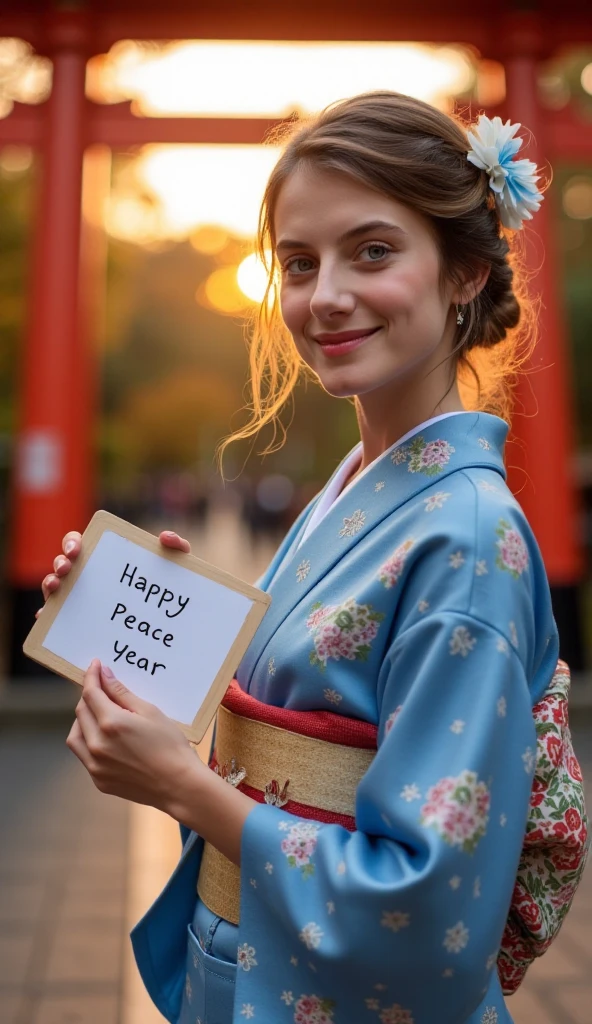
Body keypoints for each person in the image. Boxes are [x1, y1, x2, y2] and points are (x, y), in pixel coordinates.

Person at [39, 93, 587, 1024]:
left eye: (372, 251)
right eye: (298, 263)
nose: (325, 294)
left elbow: (425, 900)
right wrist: (146, 629)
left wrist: (183, 785)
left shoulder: (468, 538)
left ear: (461, 272)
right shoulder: (349, 485)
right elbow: (286, 740)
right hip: (258, 964)